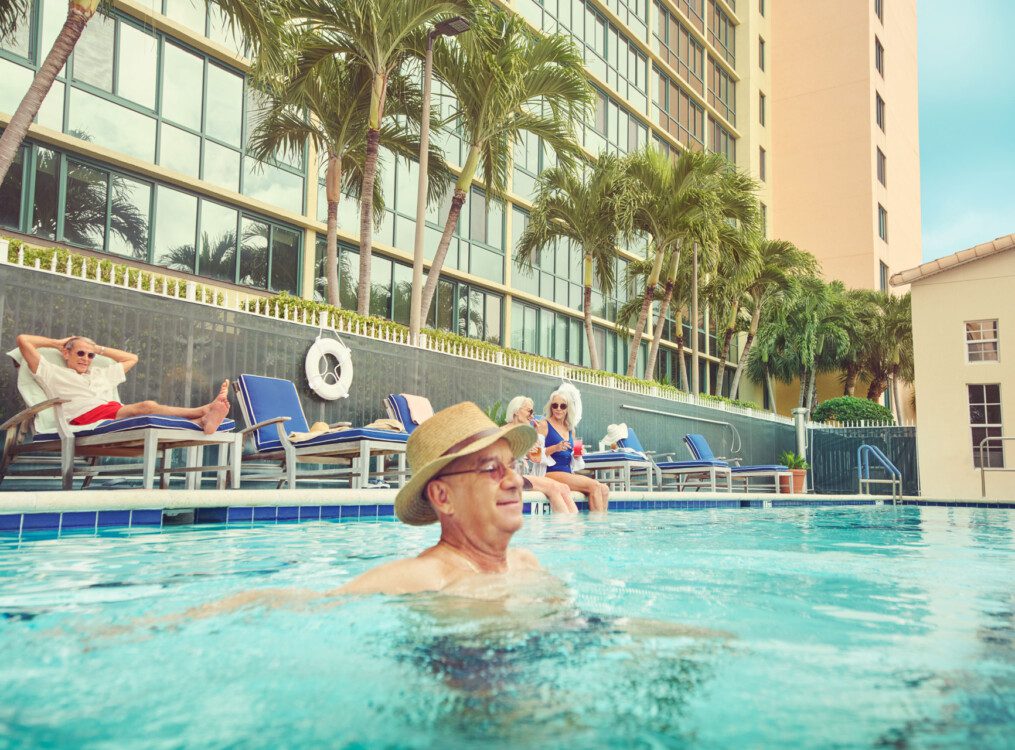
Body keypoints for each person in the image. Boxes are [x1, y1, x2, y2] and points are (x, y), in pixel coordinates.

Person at [339, 401, 544, 595]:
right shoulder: (419, 579)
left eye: (512, 466)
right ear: (443, 496)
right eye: (491, 468)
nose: (515, 481)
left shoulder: (526, 564)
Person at [15, 333, 230, 434]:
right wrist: (58, 342)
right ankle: (203, 410)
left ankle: (202, 421)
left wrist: (97, 349)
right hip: (82, 417)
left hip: (109, 411)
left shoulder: (100, 374)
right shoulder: (52, 373)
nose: (85, 359)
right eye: (80, 353)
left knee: (147, 411)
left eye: (90, 356)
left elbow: (132, 358)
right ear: (66, 353)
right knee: (146, 407)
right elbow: (23, 340)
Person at [505, 396, 578, 514]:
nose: (532, 415)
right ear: (517, 411)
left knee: (564, 488)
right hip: (509, 477)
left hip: (523, 476)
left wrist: (537, 440)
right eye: (529, 411)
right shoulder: (503, 431)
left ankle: (573, 525)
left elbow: (536, 458)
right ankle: (564, 527)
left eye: (533, 412)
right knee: (554, 488)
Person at [540, 389, 609, 512]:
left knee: (604, 489)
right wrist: (556, 447)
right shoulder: (544, 425)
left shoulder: (571, 429)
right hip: (550, 473)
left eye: (563, 406)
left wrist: (577, 455)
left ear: (567, 409)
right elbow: (536, 454)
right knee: (594, 486)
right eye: (555, 405)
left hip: (568, 473)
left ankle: (600, 524)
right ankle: (598, 527)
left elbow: (574, 457)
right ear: (551, 407)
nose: (558, 409)